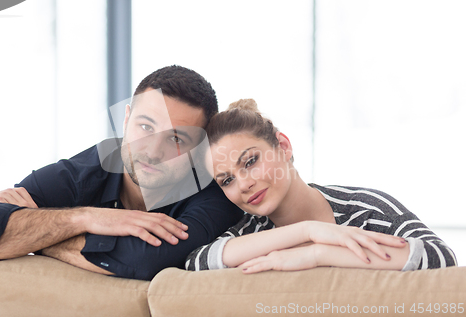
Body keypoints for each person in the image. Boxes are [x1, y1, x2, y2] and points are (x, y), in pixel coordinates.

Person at [0, 65, 243, 280]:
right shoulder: (85, 171)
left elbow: (147, 261)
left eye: (176, 139)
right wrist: (84, 217)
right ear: (125, 120)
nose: (153, 151)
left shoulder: (216, 194)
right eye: (145, 127)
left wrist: (41, 238)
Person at [185, 99, 457, 273]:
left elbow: (441, 256)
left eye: (250, 161)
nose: (244, 183)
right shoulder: (251, 233)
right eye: (227, 180)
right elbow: (197, 261)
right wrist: (307, 231)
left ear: (283, 146)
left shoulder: (365, 211)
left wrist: (318, 253)